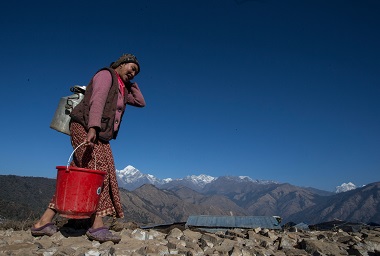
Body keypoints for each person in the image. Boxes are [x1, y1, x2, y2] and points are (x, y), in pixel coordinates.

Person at [31, 53, 146, 243]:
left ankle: (43, 222)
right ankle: (97, 227)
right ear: (121, 63)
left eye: (136, 72)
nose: (133, 73)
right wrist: (93, 127)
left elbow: (141, 102)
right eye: (131, 68)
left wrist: (131, 83)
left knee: (82, 175)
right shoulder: (106, 75)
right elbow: (98, 100)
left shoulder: (122, 89)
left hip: (99, 134)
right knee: (98, 173)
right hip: (86, 128)